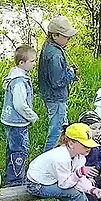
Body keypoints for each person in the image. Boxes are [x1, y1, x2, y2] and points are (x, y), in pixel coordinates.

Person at [37, 16, 78, 152]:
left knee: (62, 128)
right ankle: (48, 157)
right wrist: (71, 73)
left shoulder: (49, 47)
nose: (68, 39)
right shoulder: (55, 54)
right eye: (66, 36)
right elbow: (57, 81)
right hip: (56, 97)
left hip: (51, 95)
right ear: (55, 35)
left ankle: (60, 155)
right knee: (56, 131)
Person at [0, 45, 40, 186]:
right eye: (32, 61)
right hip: (17, 123)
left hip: (10, 120)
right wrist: (32, 116)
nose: (34, 64)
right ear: (21, 63)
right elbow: (20, 105)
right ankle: (15, 181)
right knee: (19, 151)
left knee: (12, 149)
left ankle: (9, 175)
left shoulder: (15, 76)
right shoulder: (19, 81)